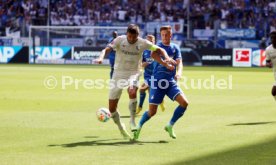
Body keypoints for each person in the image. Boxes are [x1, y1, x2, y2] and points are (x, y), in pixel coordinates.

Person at [94, 24, 176, 140]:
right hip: (118, 74)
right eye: (130, 37)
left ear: (138, 35)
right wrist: (101, 58)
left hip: (134, 72)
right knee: (112, 108)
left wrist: (166, 57)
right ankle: (121, 128)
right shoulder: (119, 40)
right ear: (127, 34)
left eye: (134, 37)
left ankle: (132, 120)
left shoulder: (142, 43)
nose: (132, 39)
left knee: (132, 91)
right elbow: (106, 49)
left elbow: (160, 49)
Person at [134, 25, 189, 140]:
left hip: (169, 82)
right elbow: (153, 55)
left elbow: (180, 63)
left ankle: (170, 125)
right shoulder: (157, 46)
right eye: (162, 35)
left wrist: (179, 72)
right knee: (152, 112)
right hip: (157, 82)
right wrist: (165, 64)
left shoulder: (175, 47)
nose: (164, 37)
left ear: (171, 35)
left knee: (184, 103)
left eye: (166, 34)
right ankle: (138, 126)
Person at [136, 34, 165, 115]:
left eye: (151, 41)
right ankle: (160, 101)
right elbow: (140, 64)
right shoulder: (143, 51)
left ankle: (140, 107)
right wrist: (146, 63)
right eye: (148, 41)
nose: (150, 42)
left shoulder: (157, 50)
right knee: (150, 92)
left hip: (156, 75)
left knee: (142, 89)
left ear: (154, 41)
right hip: (147, 75)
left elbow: (163, 62)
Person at [265, 31, 276, 100]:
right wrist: (268, 64)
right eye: (271, 38)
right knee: (274, 93)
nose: (273, 39)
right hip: (275, 73)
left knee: (274, 91)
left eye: (274, 38)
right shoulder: (268, 49)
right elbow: (267, 61)